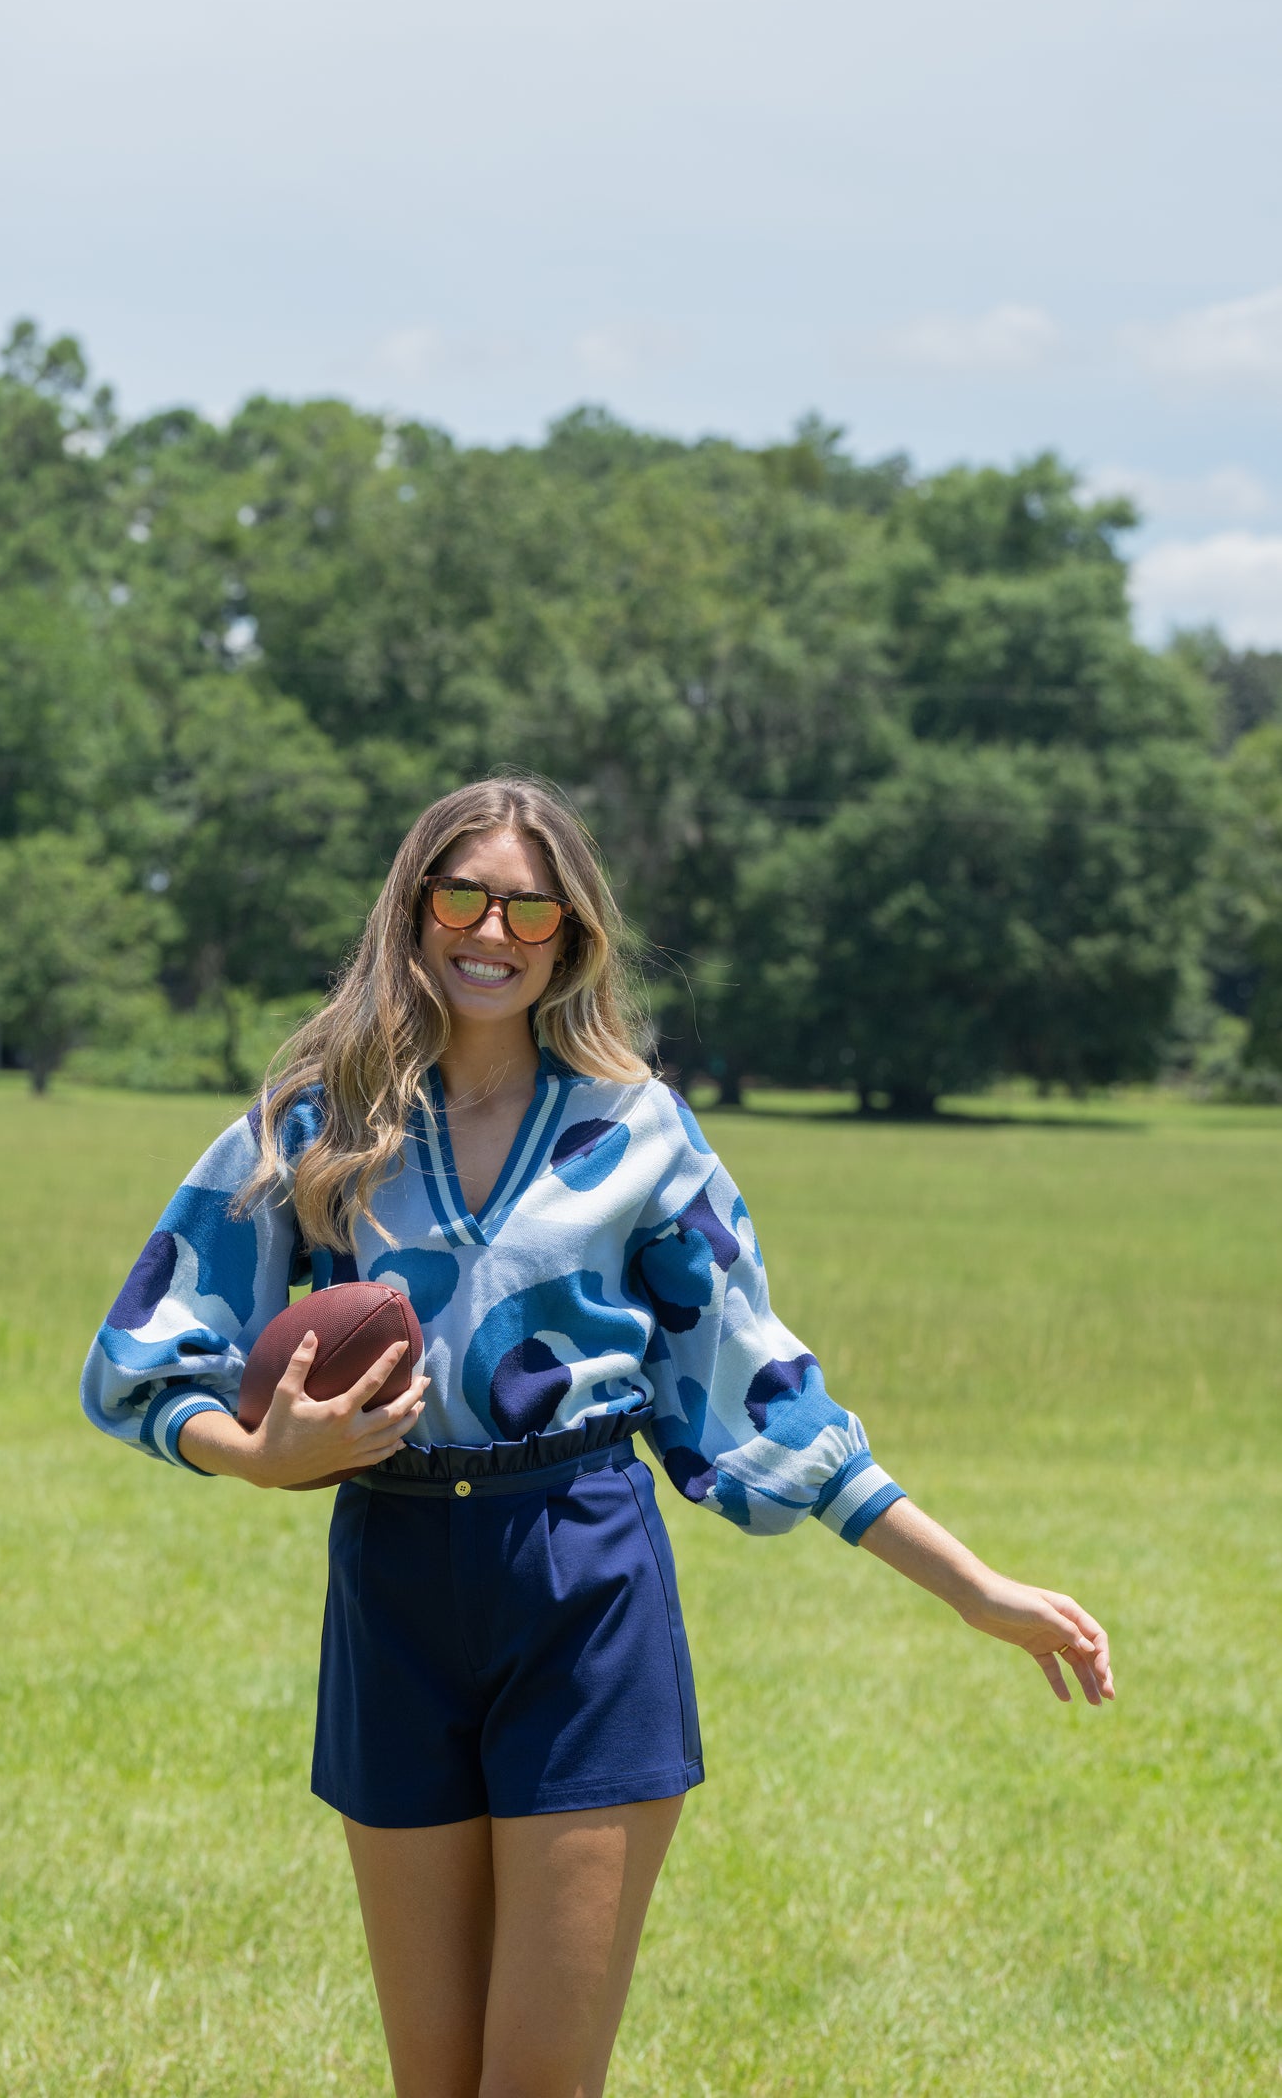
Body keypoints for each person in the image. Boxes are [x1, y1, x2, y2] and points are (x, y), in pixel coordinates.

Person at [82, 775, 1114, 2098]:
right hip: (390, 1577)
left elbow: (759, 1394)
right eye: (462, 896)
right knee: (434, 2087)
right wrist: (257, 1457)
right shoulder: (317, 1122)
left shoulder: (638, 1134)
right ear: (412, 911)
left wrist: (975, 1587)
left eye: (529, 906)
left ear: (570, 931)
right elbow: (149, 1347)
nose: (492, 932)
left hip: (580, 1580)